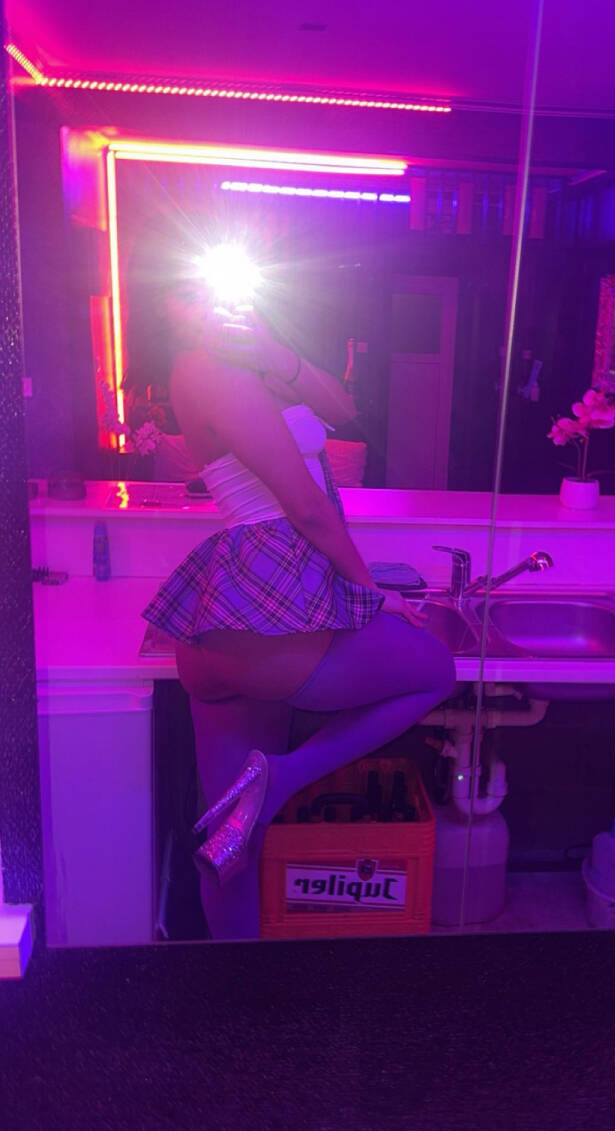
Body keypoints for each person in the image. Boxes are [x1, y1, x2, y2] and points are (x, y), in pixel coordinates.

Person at [126, 225, 456, 939]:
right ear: (165, 311)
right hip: (270, 610)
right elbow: (305, 507)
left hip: (231, 624)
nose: (206, 306)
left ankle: (237, 985)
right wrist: (369, 593)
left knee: (230, 839)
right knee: (436, 671)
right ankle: (282, 779)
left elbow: (343, 410)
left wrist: (274, 350)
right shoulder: (211, 372)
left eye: (211, 291)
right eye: (188, 296)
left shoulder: (239, 365)